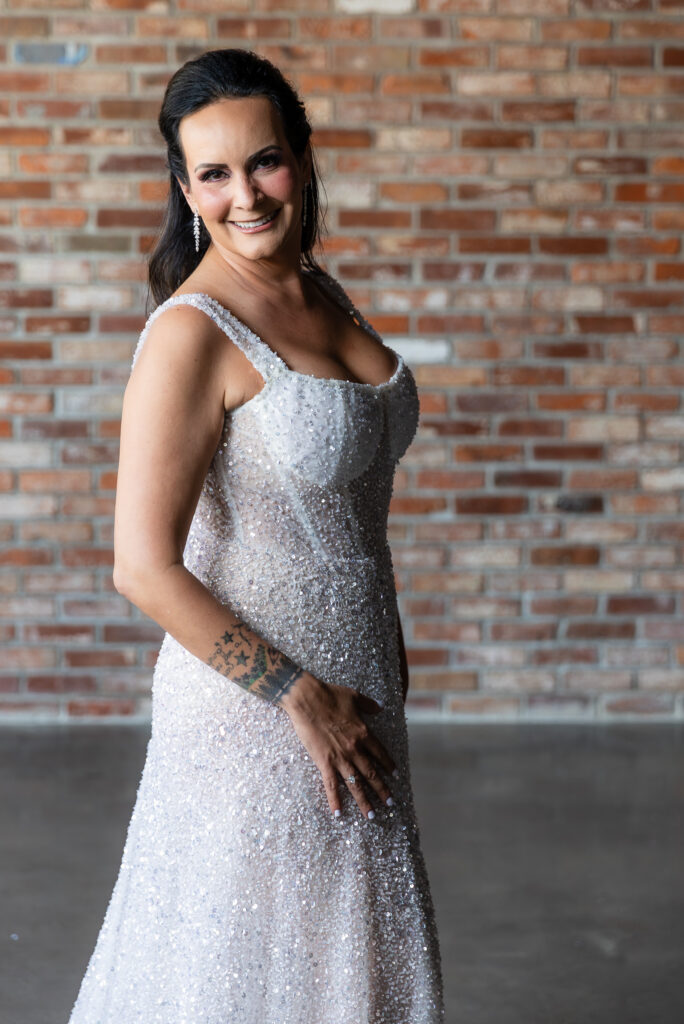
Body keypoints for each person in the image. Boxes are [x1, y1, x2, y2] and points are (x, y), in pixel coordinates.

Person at [67, 47, 445, 1023]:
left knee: (343, 967)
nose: (247, 194)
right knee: (244, 978)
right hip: (260, 714)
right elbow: (142, 566)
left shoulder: (320, 294)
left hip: (359, 694)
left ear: (304, 158)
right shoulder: (193, 332)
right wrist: (299, 695)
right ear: (186, 189)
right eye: (215, 174)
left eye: (264, 161)